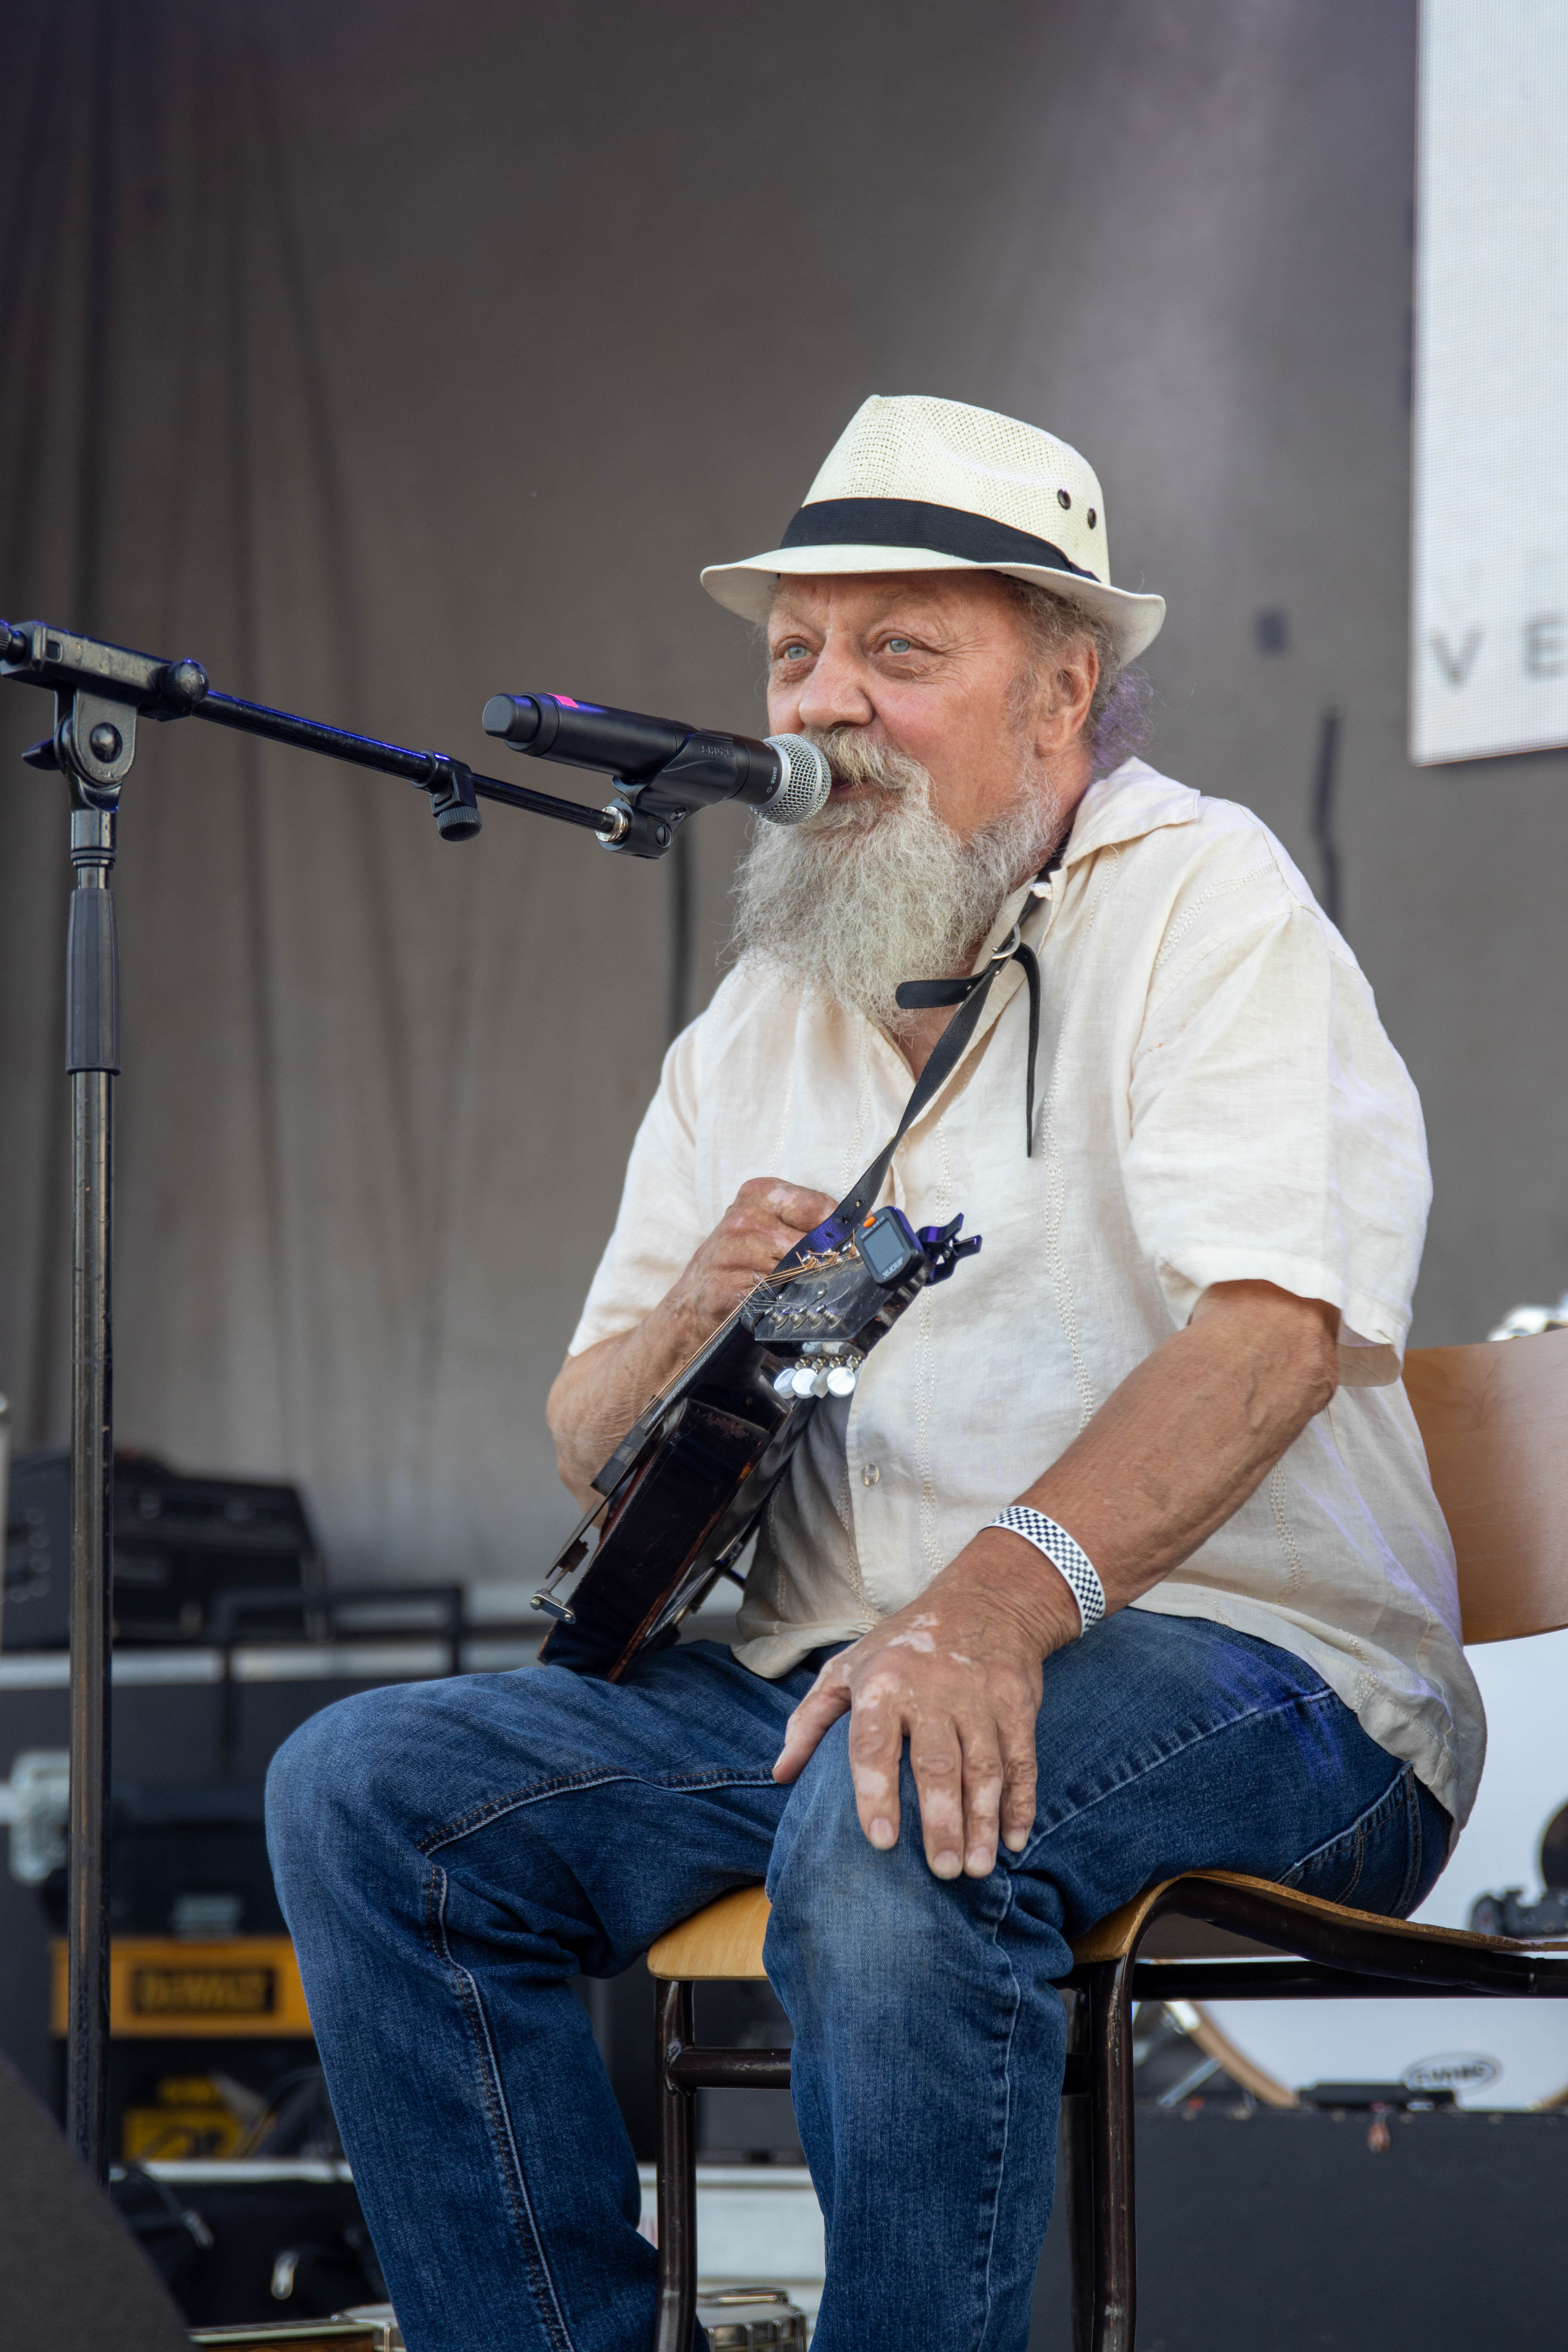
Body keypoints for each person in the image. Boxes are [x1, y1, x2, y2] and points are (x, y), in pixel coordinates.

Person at [267, 395, 1483, 2352]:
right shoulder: (758, 1012)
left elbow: (1268, 1342)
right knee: (366, 1789)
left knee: (899, 1790)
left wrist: (983, 1613)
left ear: (1062, 693)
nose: (825, 703)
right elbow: (586, 1437)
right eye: (794, 656)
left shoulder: (1207, 901)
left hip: (1271, 1681)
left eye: (899, 653)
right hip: (824, 1691)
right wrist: (691, 1322)